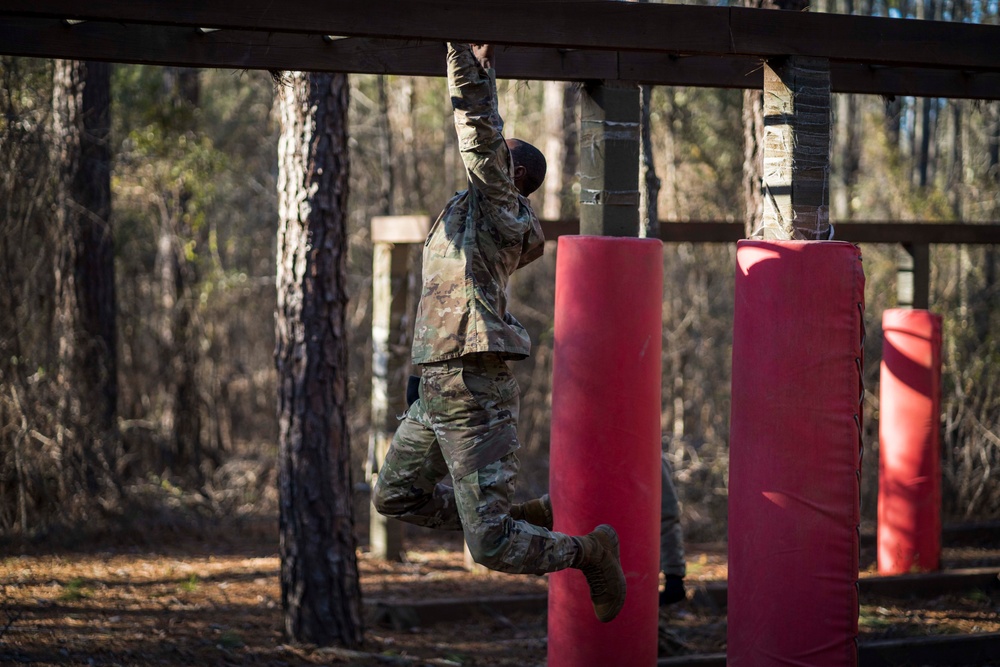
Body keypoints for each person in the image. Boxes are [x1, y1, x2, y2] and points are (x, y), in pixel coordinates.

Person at [372, 42, 626, 624]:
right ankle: (524, 514)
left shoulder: (501, 209)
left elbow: (480, 133)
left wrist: (468, 61)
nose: (484, 160)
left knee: (488, 547)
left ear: (512, 176)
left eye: (497, 157)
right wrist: (423, 376)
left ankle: (588, 551)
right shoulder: (470, 211)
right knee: (396, 497)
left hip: (472, 386)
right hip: (437, 384)